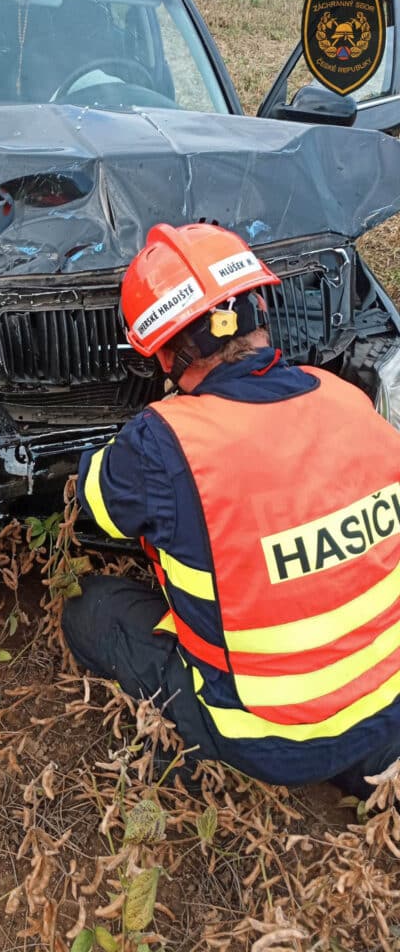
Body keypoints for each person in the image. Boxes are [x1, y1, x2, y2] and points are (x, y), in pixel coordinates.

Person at [63, 222, 400, 797]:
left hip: (263, 737)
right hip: (388, 706)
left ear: (165, 354)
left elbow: (94, 502)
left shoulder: (166, 442)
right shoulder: (348, 398)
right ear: (262, 310)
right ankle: (364, 764)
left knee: (89, 611)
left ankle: (199, 762)